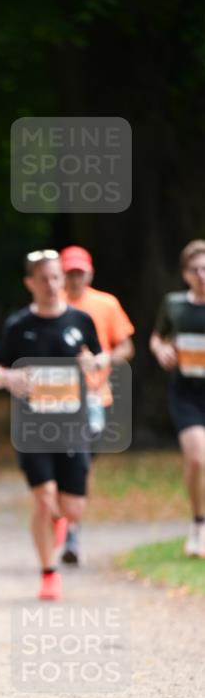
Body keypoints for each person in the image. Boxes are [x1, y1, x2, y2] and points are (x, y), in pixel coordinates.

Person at [0, 250, 102, 600]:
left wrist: (92, 363)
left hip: (73, 426)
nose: (51, 285)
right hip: (32, 427)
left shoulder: (81, 321)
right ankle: (48, 573)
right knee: (44, 498)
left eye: (56, 277)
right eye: (43, 279)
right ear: (30, 283)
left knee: (72, 508)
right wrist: (9, 378)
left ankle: (62, 522)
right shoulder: (19, 325)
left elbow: (98, 359)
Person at [60, 245, 135, 564]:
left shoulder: (106, 304)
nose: (75, 278)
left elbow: (126, 346)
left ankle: (71, 525)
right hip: (56, 397)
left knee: (81, 463)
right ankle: (65, 523)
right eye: (69, 272)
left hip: (94, 396)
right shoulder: (50, 303)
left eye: (80, 272)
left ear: (89, 273)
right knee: (59, 459)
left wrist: (105, 359)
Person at [150, 239, 205, 558]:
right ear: (185, 274)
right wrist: (161, 350)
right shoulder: (174, 305)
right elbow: (158, 336)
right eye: (195, 270)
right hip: (186, 392)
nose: (202, 275)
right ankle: (199, 524)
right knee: (197, 459)